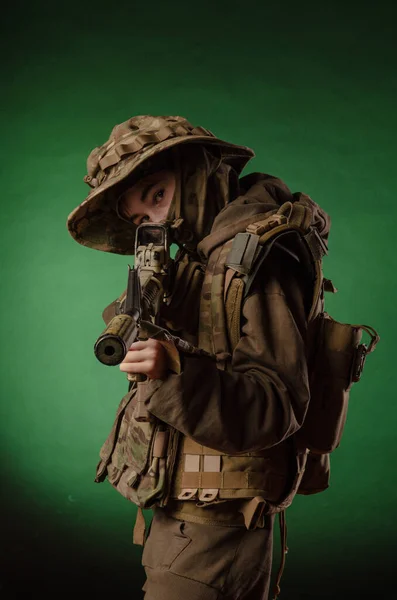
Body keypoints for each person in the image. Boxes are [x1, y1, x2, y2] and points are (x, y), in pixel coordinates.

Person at [67, 115, 331, 600]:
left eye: (156, 195)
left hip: (217, 531)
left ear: (198, 172)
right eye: (140, 218)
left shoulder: (258, 258)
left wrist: (173, 375)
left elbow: (278, 404)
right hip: (186, 521)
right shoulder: (201, 262)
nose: (155, 222)